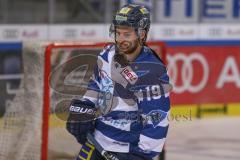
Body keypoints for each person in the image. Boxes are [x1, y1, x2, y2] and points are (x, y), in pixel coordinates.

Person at [66, 4, 171, 160]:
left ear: (142, 35)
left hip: (126, 151)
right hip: (96, 140)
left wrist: (142, 156)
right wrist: (86, 107)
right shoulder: (107, 53)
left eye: (127, 34)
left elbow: (158, 119)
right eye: (118, 33)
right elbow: (96, 83)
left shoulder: (152, 72)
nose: (120, 39)